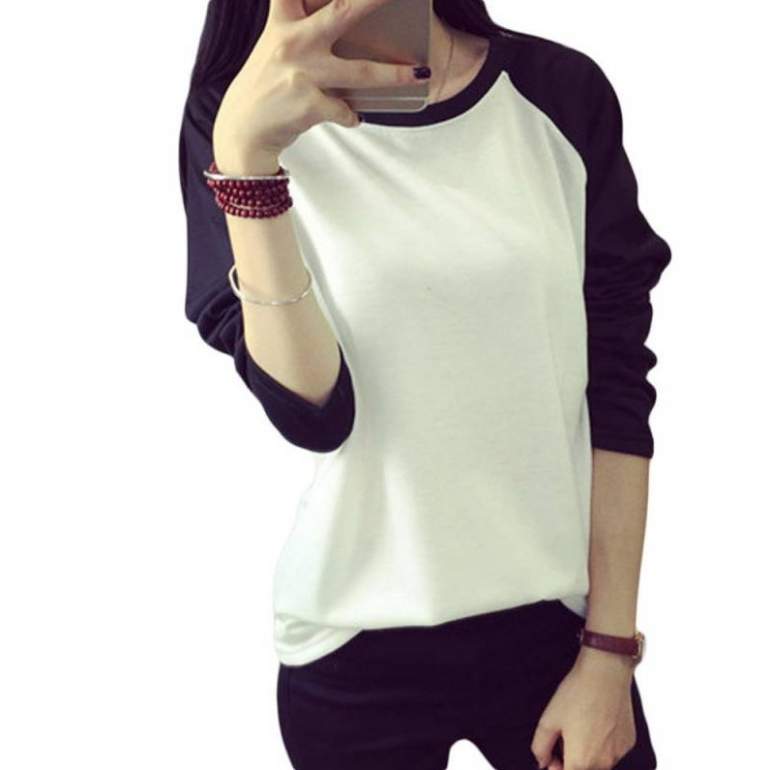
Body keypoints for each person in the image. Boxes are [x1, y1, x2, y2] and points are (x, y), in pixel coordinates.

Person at [177, 1, 672, 768]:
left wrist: (609, 654)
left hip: (559, 626)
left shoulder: (558, 94)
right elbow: (313, 414)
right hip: (354, 643)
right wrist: (246, 161)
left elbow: (616, 385)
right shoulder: (240, 118)